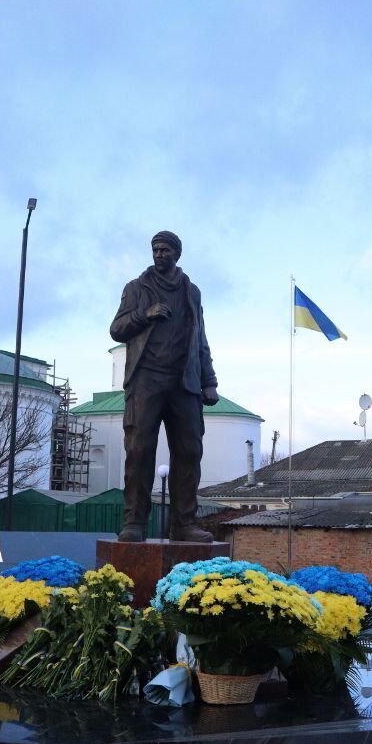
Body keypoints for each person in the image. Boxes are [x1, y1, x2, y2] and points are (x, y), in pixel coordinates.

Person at [110, 230, 217, 543]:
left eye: (165, 250)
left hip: (185, 381)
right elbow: (117, 329)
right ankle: (134, 523)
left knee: (189, 450)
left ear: (177, 254)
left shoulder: (191, 292)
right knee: (140, 449)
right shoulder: (136, 288)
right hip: (146, 378)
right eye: (155, 250)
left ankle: (184, 524)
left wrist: (209, 380)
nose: (159, 254)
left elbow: (201, 339)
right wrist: (146, 314)